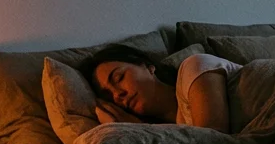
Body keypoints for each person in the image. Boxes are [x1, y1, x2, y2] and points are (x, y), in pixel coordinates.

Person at [83, 44, 239, 132]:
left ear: (148, 67)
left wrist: (140, 129)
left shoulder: (194, 67)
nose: (118, 94)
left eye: (119, 78)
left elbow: (214, 140)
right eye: (109, 96)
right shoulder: (174, 128)